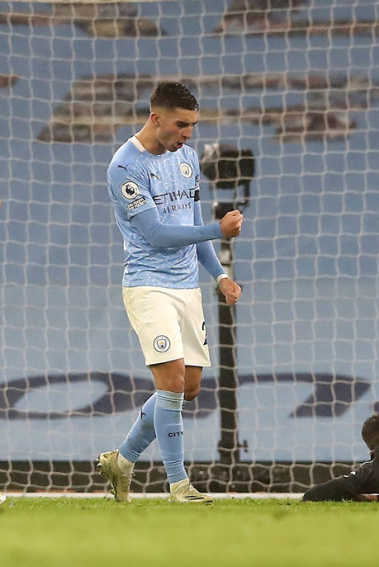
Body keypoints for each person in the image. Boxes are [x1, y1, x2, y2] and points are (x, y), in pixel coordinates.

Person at [98, 81, 244, 504]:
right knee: (172, 383)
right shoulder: (125, 167)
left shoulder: (187, 158)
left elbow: (189, 223)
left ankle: (121, 461)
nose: (188, 133)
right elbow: (159, 235)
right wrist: (220, 229)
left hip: (187, 287)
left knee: (189, 388)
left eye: (193, 125)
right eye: (181, 124)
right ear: (155, 117)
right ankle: (179, 484)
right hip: (148, 285)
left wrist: (219, 276)